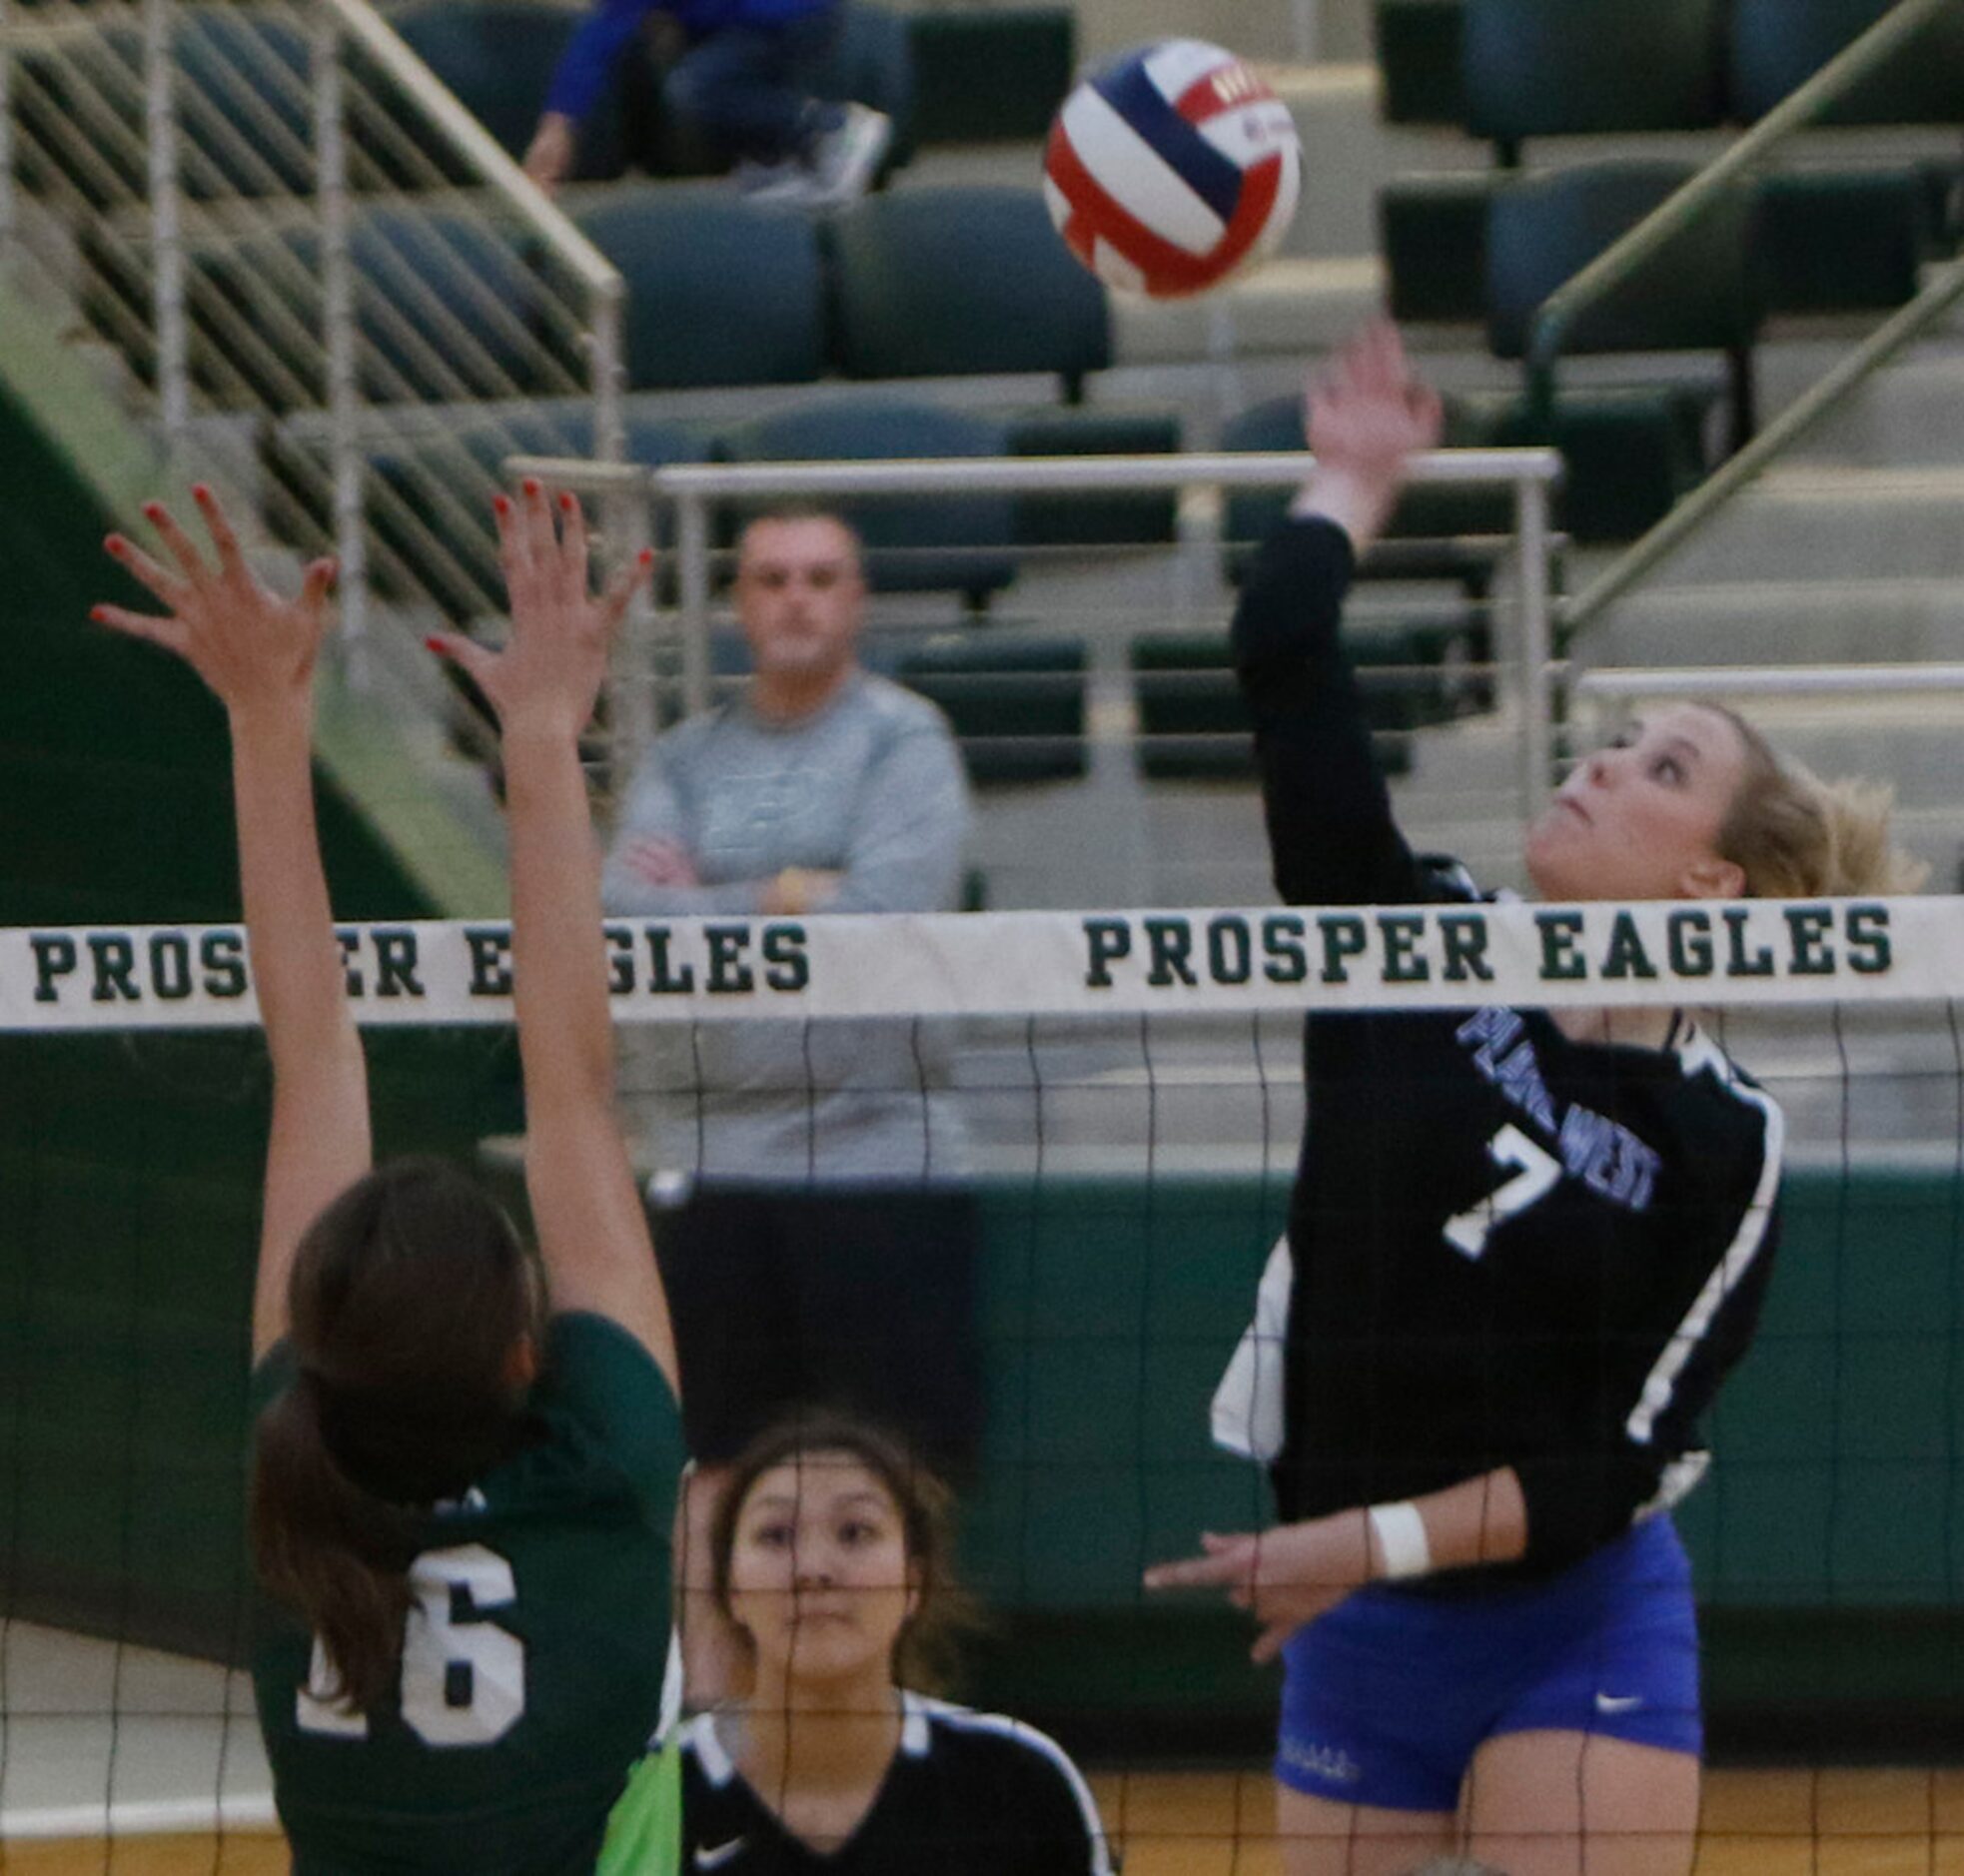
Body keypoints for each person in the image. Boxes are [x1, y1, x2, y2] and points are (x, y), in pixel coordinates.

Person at [1143, 324, 1925, 1876]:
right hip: (1363, 1625)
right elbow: (1283, 648)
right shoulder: (1408, 937)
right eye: (1611, 740)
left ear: (1712, 877)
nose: (1598, 764)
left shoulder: (1723, 1137)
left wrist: (1359, 1541)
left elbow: (1608, 1470)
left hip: (1568, 1616)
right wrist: (1352, 478)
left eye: (1657, 767)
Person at [94, 480, 682, 1873]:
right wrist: (541, 737)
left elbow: (322, 1063)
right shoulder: (596, 1469)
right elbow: (567, 1089)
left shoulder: (300, 1489)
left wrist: (260, 718)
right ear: (528, 1349)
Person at [601, 505, 980, 1705]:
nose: (796, 599)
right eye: (770, 579)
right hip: (719, 1163)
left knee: (898, 1472)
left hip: (883, 1164)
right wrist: (780, 894)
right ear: (736, 606)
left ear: (856, 599)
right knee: (712, 1467)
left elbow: (887, 908)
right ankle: (708, 1723)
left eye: (821, 577)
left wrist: (710, 891)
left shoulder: (904, 743)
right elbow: (622, 916)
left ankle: (911, 1729)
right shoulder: (682, 758)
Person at [597, 1410, 1112, 1874]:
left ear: (914, 1582)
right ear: (731, 1589)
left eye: (855, 1532)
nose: (815, 1570)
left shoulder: (1016, 1779)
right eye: (776, 1536)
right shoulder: (657, 1791)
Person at [523, 0, 890, 204]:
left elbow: (597, 42)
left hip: (791, 14)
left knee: (694, 87)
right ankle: (785, 157)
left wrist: (558, 124)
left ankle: (832, 129)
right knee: (693, 64)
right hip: (764, 18)